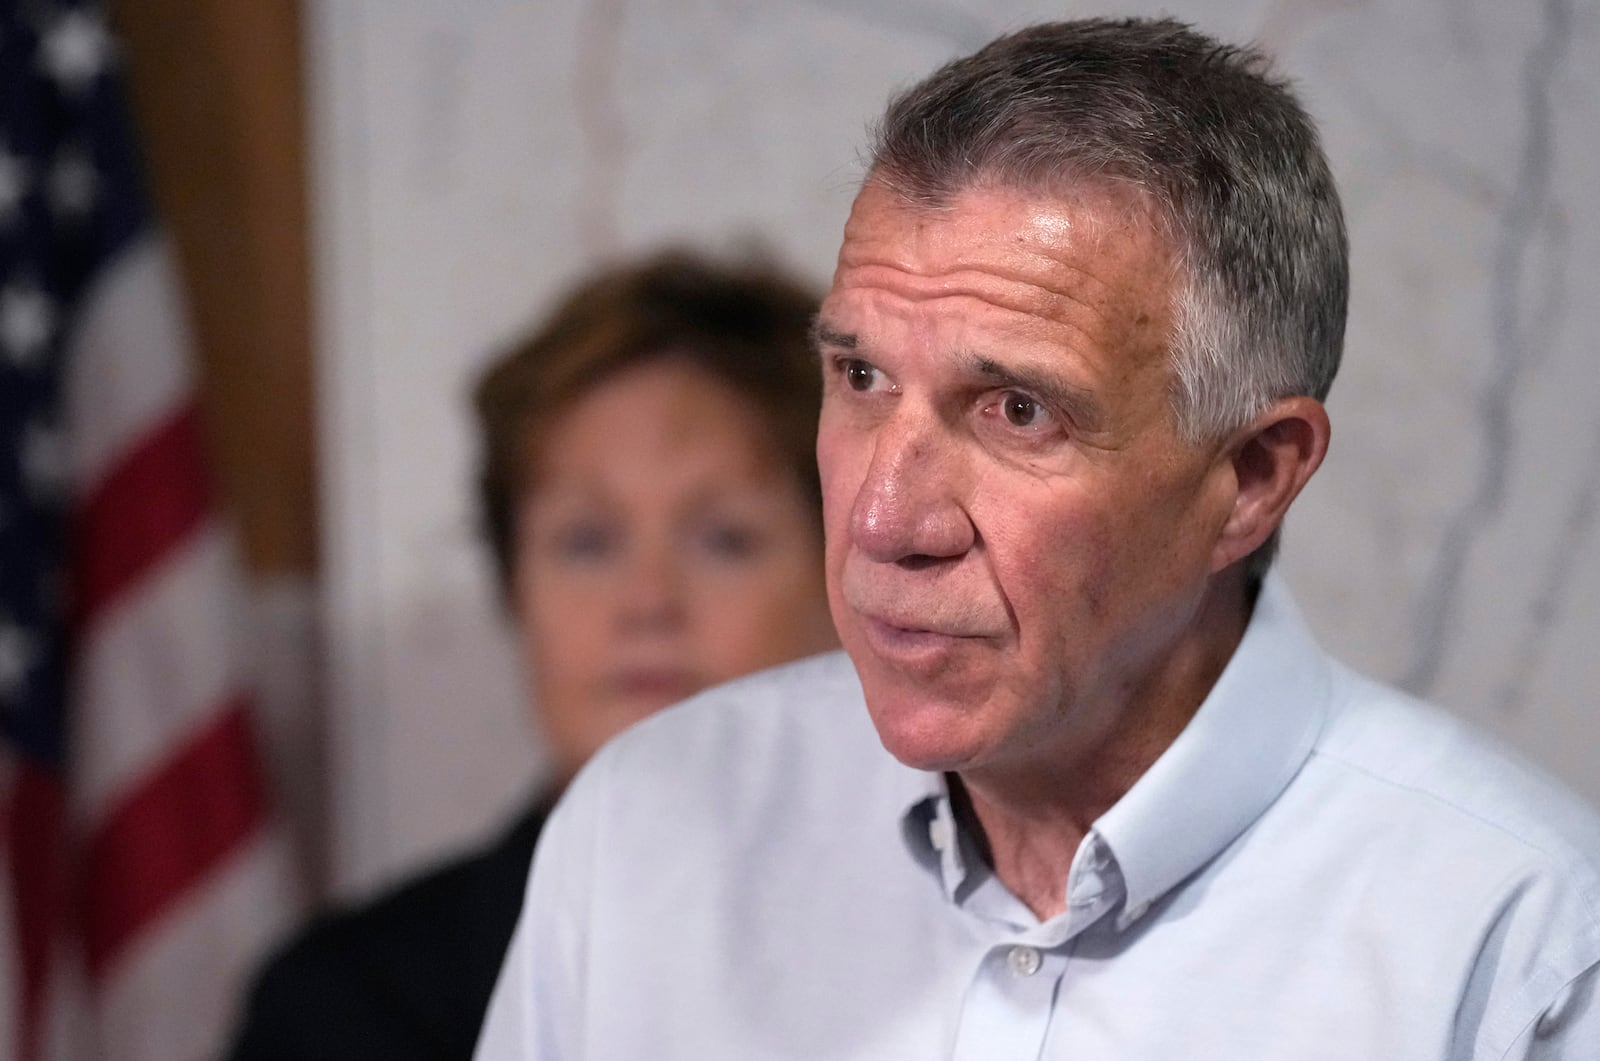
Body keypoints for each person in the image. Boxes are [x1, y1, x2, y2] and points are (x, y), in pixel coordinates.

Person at [476, 18, 1600, 1060]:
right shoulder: (640, 832)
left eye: (1016, 408)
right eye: (860, 377)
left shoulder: (1517, 945)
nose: (881, 519)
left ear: (1252, 478)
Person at [226, 251, 837, 1059]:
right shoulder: (346, 1003)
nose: (647, 601)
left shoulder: (975, 948)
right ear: (514, 587)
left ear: (851, 582)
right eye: (587, 542)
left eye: (724, 538)